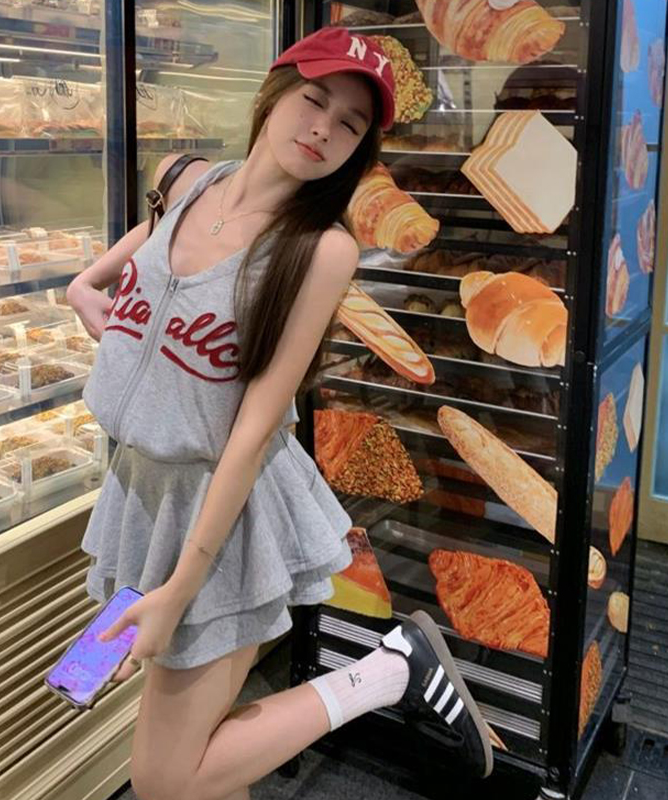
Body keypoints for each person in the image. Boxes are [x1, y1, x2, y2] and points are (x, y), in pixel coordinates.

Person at [67, 26, 493, 800]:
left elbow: (255, 426)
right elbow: (157, 238)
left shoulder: (318, 251)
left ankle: (390, 673)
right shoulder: (187, 179)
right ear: (275, 93)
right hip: (143, 489)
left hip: (227, 513)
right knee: (201, 767)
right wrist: (85, 284)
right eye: (314, 100)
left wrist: (180, 589)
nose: (323, 128)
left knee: (165, 779)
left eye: (350, 124)